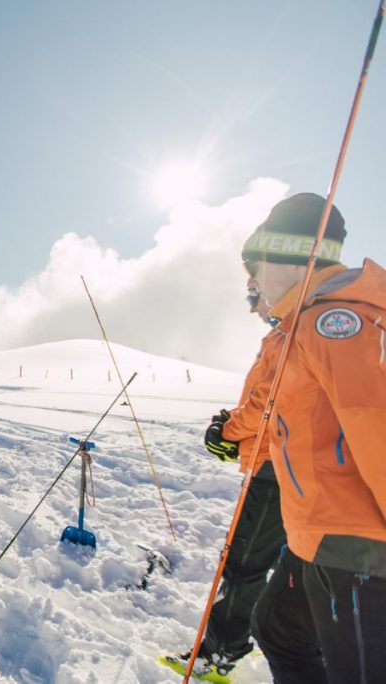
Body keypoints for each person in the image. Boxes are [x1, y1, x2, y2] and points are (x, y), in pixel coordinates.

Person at [237, 192, 386, 683]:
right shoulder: (300, 324)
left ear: (292, 260)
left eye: (256, 266)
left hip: (356, 547)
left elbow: (375, 424)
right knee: (278, 628)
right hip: (317, 534)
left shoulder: (333, 322)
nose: (252, 283)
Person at [163, 287, 287, 681]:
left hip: (275, 465)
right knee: (274, 561)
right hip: (277, 460)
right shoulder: (282, 333)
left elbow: (269, 401)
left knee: (245, 561)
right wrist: (231, 426)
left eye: (255, 294)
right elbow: (262, 399)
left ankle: (220, 654)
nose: (252, 307)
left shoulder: (289, 334)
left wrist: (228, 430)